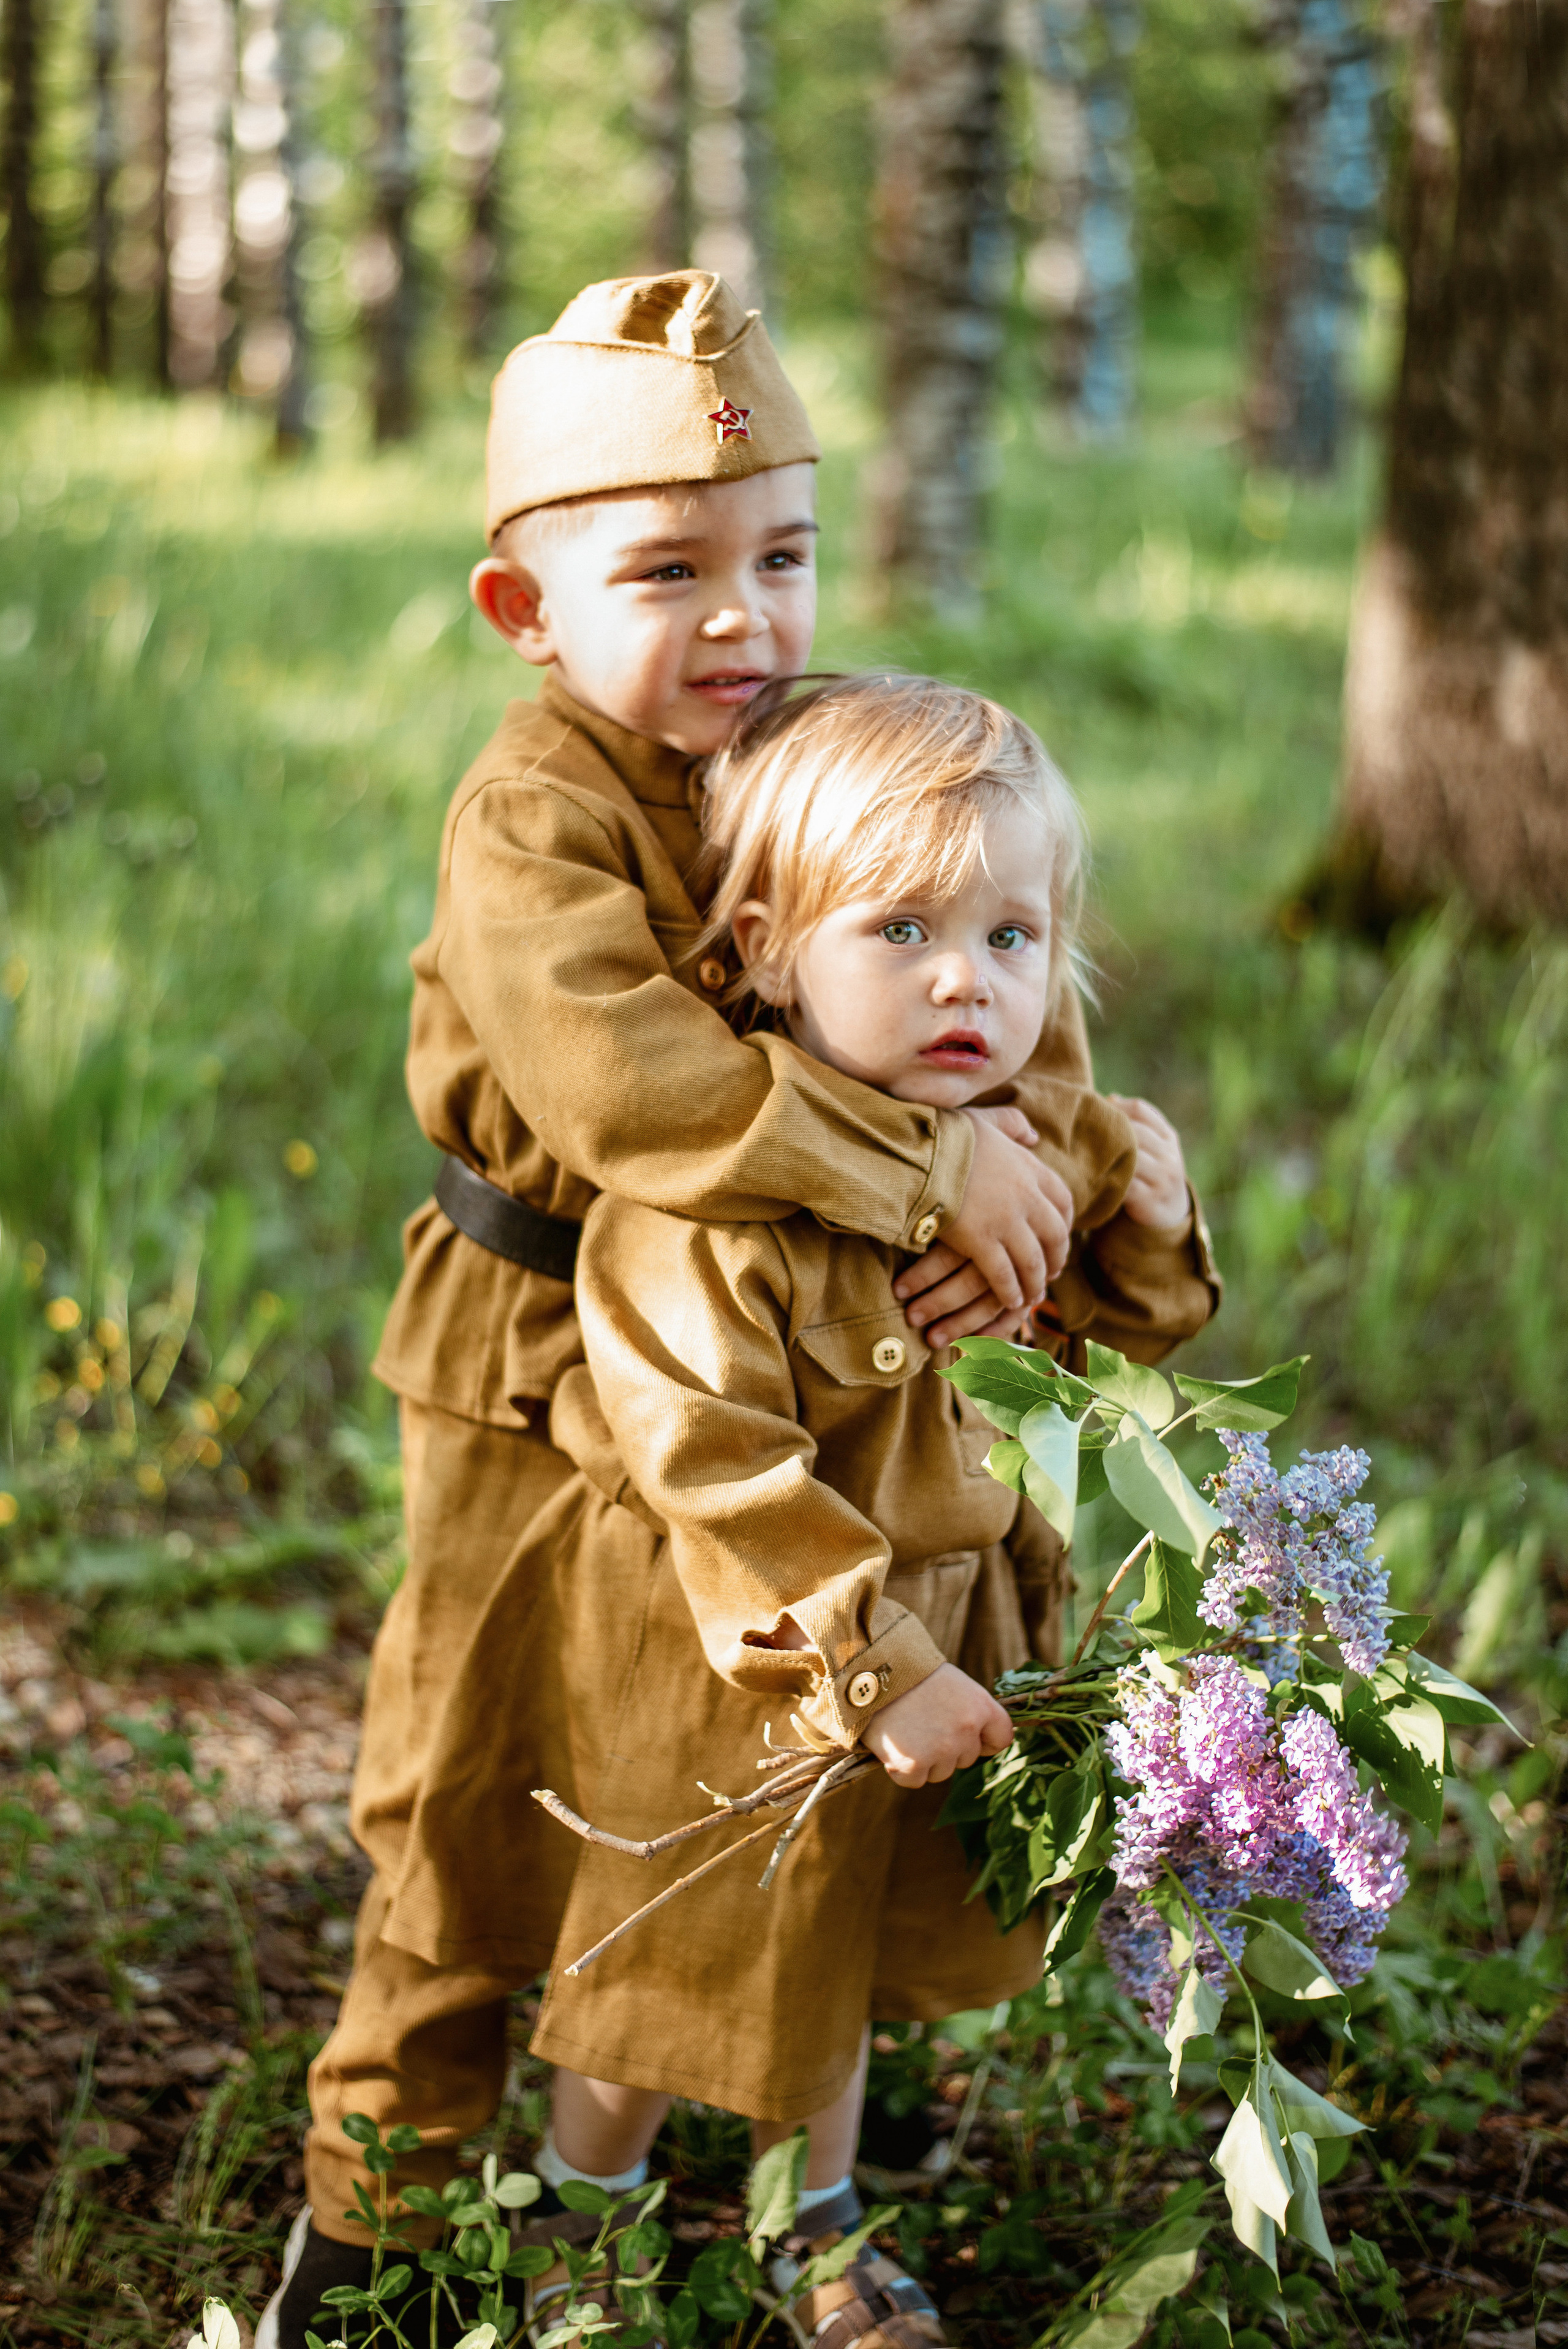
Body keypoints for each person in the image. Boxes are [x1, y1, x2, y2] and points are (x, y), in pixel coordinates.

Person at [260, 270, 1216, 2349]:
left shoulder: (809, 742)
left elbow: (980, 935)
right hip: (533, 1372)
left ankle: (794, 2142)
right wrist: (920, 1166)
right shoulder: (538, 812)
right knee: (472, 1789)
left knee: (727, 1754)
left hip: (791, 1360)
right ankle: (387, 2212)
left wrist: (1047, 1158)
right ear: (531, 613)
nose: (741, 620)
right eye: (670, 571)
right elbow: (633, 1087)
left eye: (779, 557)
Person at [505, 673, 1218, 2348]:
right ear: (766, 944)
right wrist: (869, 1664)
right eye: (898, 927)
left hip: (942, 1633)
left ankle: (809, 2224)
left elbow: (1124, 1327)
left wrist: (1159, 1226)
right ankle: (574, 2208)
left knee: (828, 1953)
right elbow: (716, 1467)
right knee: (676, 1956)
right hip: (736, 1667)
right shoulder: (715, 1209)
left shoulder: (1030, 1135)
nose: (968, 977)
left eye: (1013, 935)